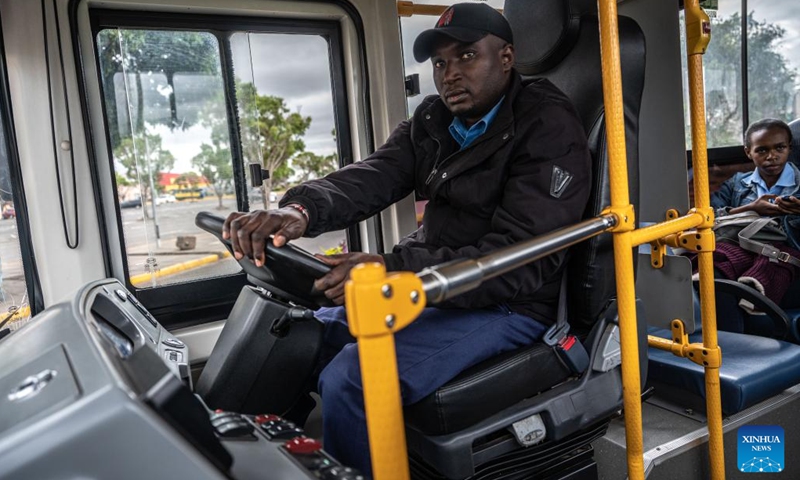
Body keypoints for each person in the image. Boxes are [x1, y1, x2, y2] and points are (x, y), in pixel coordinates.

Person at [223, 3, 591, 475]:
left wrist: (391, 270)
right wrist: (299, 211)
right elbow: (376, 174)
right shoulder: (435, 119)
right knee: (299, 334)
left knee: (352, 379)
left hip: (508, 302)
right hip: (436, 287)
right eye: (440, 63)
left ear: (506, 58)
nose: (450, 75)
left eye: (466, 56)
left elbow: (518, 259)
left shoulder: (547, 124)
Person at [708, 118, 800, 303]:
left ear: (789, 148)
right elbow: (708, 217)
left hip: (785, 257)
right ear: (748, 152)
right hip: (743, 250)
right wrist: (750, 209)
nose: (771, 156)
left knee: (765, 267)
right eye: (762, 150)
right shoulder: (736, 184)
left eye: (779, 148)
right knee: (714, 268)